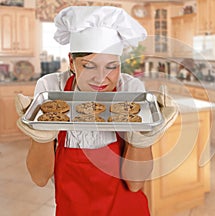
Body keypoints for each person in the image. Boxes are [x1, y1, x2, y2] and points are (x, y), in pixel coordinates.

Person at [15, 6, 178, 216]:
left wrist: (141, 138)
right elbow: (39, 178)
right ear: (72, 62)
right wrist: (42, 136)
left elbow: (135, 184)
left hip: (126, 209)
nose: (101, 78)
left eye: (111, 66)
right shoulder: (52, 89)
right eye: (89, 66)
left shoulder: (131, 91)